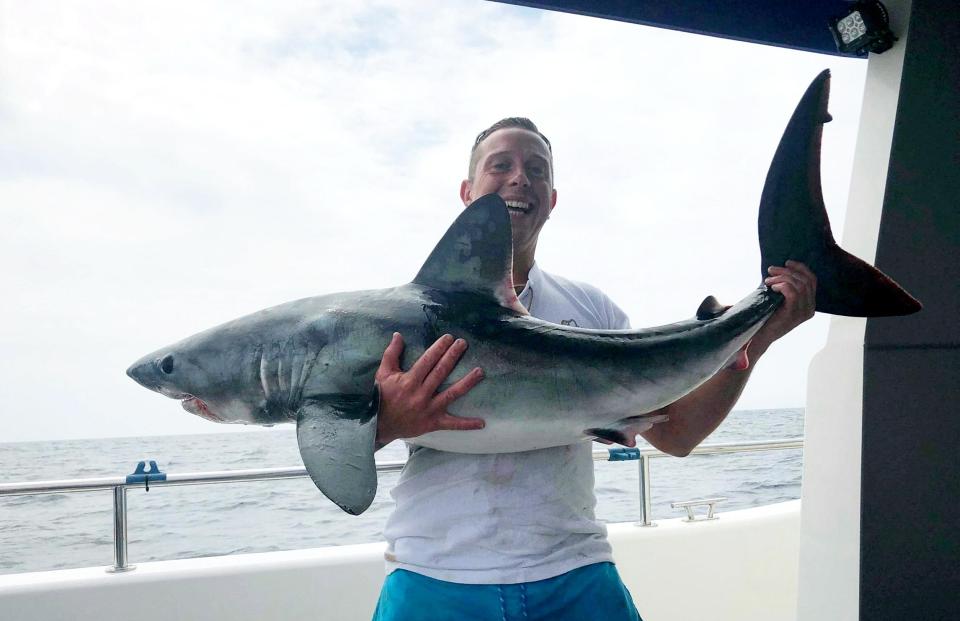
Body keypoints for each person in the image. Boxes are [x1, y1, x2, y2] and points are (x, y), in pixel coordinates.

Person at [370, 118, 816, 621]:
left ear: (553, 199)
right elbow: (341, 444)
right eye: (501, 165)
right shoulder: (399, 321)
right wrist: (386, 421)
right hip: (433, 573)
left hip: (574, 568)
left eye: (536, 170)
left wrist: (758, 337)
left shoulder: (591, 311)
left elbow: (679, 435)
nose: (520, 178)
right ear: (467, 190)